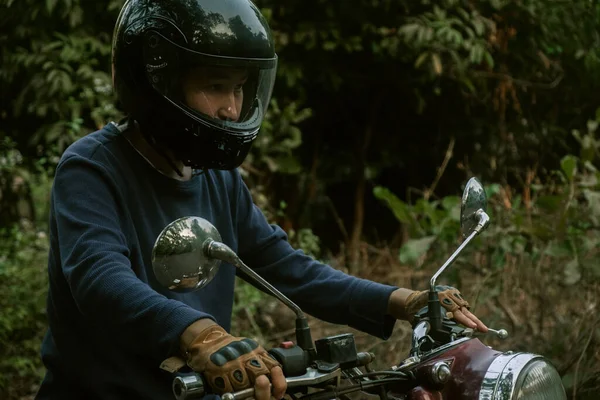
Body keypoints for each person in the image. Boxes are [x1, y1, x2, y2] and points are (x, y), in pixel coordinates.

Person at [36, 0, 487, 399]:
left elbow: (285, 266)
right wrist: (197, 334)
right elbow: (99, 278)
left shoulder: (217, 179)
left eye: (238, 89)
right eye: (215, 86)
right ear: (158, 82)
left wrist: (399, 300)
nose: (231, 109)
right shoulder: (93, 168)